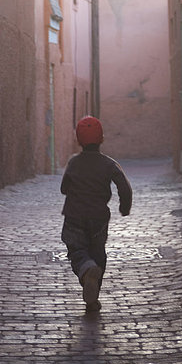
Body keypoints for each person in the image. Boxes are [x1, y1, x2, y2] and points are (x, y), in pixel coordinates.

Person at [60, 116, 133, 312]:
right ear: (102, 139)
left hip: (74, 215)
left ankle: (85, 271)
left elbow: (64, 188)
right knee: (98, 253)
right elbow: (124, 188)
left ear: (78, 140)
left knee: (77, 251)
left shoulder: (73, 163)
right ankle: (93, 297)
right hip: (99, 217)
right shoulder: (109, 164)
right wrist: (124, 208)